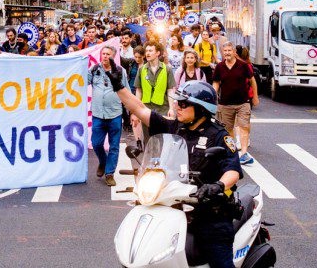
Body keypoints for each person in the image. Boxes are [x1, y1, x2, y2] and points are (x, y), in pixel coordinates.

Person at [108, 72, 242, 268]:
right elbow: (140, 109)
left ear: (201, 108)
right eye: (178, 102)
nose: (177, 106)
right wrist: (118, 86)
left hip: (210, 213)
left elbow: (233, 171)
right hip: (175, 205)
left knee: (220, 261)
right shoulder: (175, 128)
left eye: (183, 103)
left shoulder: (219, 136)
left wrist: (218, 185)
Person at [213, 41, 258, 166]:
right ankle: (233, 153)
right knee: (227, 130)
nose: (227, 53)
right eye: (225, 51)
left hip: (243, 102)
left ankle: (244, 153)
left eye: (229, 50)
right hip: (225, 104)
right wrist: (213, 96)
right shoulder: (220, 67)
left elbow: (252, 81)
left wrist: (255, 97)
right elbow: (216, 83)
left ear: (234, 52)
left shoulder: (243, 66)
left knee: (244, 126)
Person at [91, 46, 130, 186]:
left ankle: (109, 173)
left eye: (108, 54)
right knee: (96, 143)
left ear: (113, 56)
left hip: (115, 114)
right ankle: (103, 161)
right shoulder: (94, 70)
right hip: (98, 114)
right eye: (103, 53)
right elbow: (82, 81)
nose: (105, 56)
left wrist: (131, 113)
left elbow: (126, 92)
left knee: (114, 146)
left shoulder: (120, 71)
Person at [132, 41, 176, 143]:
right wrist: (136, 111)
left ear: (157, 53)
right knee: (148, 141)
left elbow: (170, 90)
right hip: (146, 109)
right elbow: (138, 91)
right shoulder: (141, 69)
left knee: (163, 140)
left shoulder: (167, 69)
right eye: (146, 51)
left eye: (150, 51)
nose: (147, 53)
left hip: (163, 110)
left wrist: (171, 108)